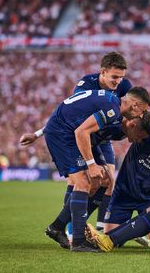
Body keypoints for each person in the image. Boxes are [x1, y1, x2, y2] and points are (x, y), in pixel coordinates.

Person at [19, 51, 132, 231]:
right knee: (77, 181)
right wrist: (38, 133)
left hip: (102, 136)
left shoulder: (125, 85)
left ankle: (101, 230)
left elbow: (127, 112)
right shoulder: (86, 84)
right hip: (81, 135)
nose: (118, 82)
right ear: (102, 72)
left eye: (121, 77)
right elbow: (68, 111)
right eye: (114, 77)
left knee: (109, 180)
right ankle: (71, 230)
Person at [43, 86, 150, 252]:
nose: (142, 115)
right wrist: (92, 164)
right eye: (142, 111)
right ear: (134, 106)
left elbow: (91, 135)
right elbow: (81, 132)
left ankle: (57, 226)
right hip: (63, 133)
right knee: (83, 180)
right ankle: (78, 240)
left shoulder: (118, 119)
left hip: (78, 134)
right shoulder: (112, 110)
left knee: (107, 180)